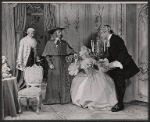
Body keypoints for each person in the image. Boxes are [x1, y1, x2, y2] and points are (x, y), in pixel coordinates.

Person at [100, 25, 140, 112]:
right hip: (119, 64)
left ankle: (120, 104)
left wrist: (117, 62)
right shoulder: (110, 40)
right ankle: (118, 102)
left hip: (124, 64)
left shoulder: (115, 39)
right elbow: (112, 55)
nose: (101, 35)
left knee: (120, 83)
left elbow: (123, 51)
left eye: (101, 33)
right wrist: (106, 60)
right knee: (118, 82)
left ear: (106, 32)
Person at [69, 46, 118, 110]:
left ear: (84, 52)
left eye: (80, 51)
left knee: (98, 87)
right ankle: (83, 101)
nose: (79, 52)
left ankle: (93, 101)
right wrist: (75, 61)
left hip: (94, 75)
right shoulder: (81, 61)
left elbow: (98, 65)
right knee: (80, 85)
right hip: (86, 76)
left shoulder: (90, 59)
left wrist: (102, 66)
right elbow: (74, 70)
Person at [42, 27, 77, 105]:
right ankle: (53, 99)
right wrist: (50, 64)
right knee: (53, 81)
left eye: (61, 32)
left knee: (63, 80)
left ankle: (64, 99)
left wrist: (74, 54)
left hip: (63, 64)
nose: (60, 33)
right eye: (59, 32)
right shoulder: (49, 43)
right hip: (53, 64)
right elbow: (46, 55)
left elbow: (71, 51)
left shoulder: (64, 43)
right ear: (55, 34)